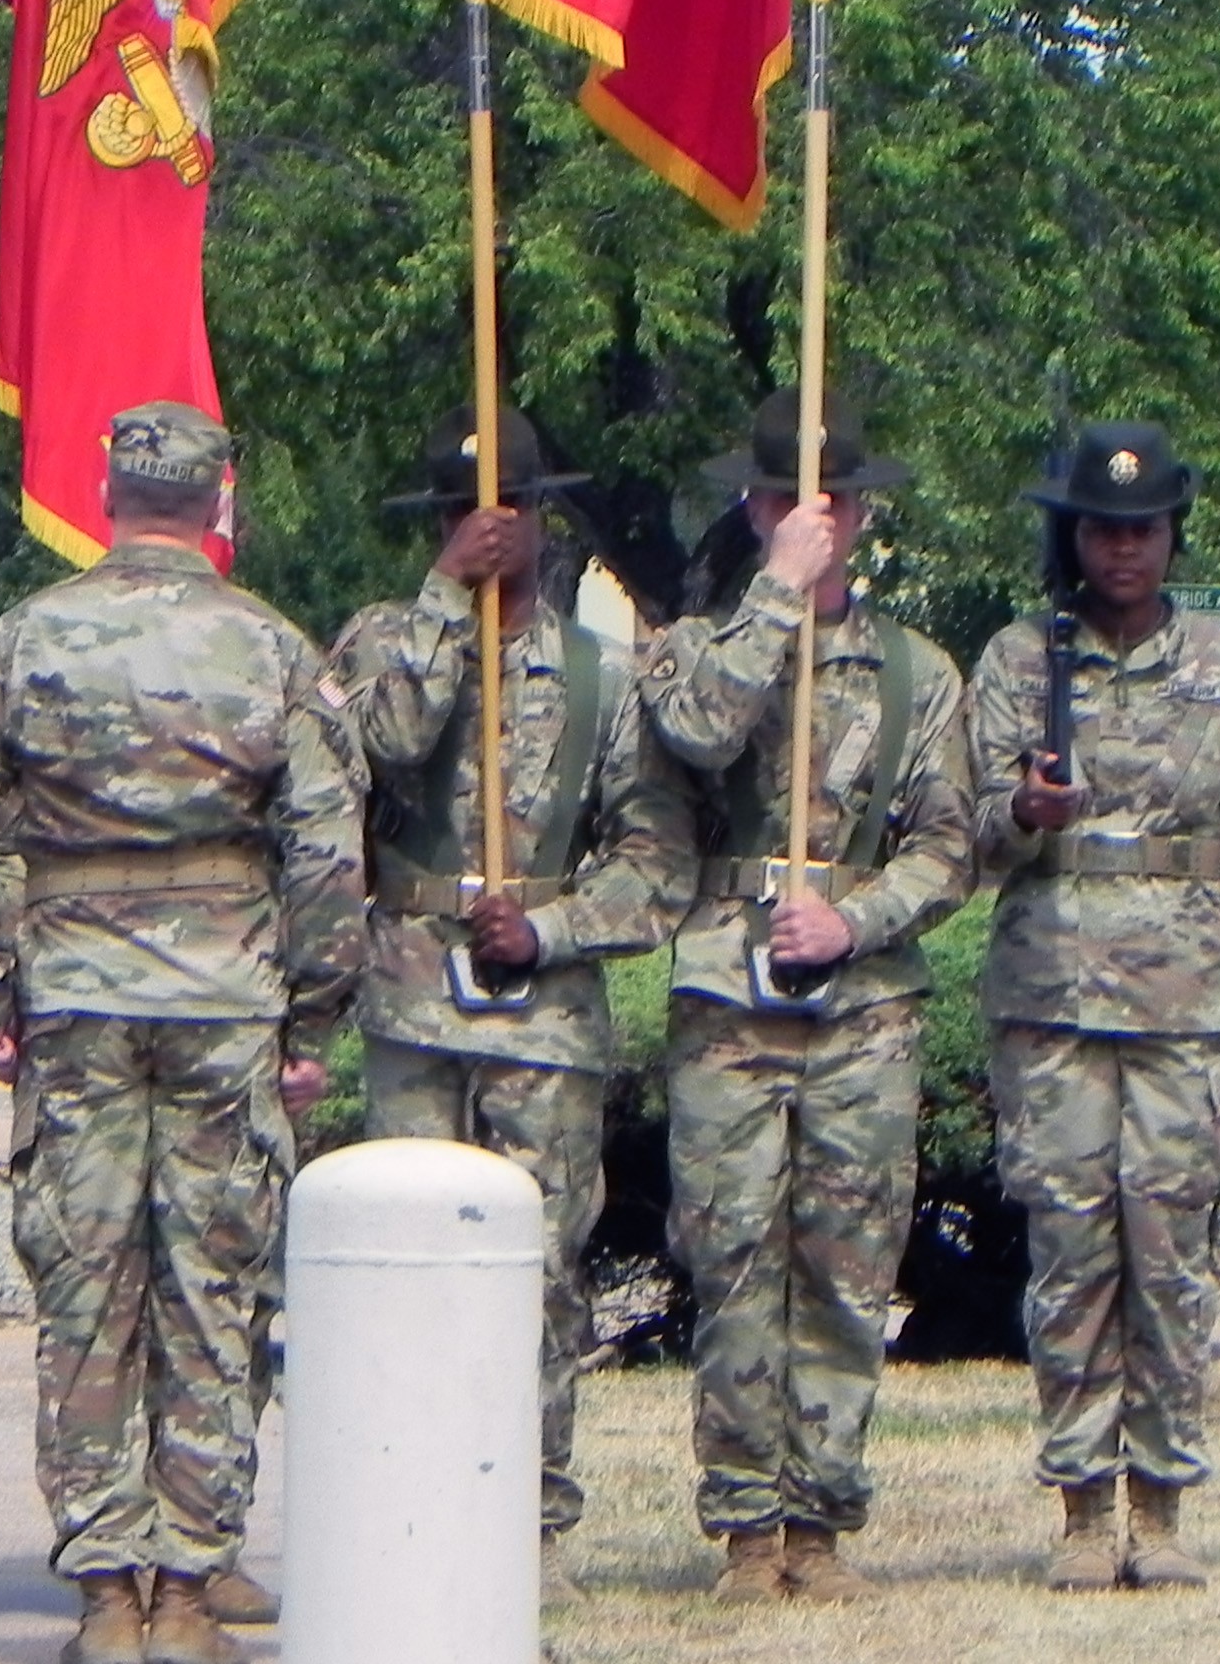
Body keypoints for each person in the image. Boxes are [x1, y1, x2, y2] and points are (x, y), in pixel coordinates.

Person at [0, 403, 366, 1664]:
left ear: (109, 499)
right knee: (210, 1291)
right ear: (216, 502)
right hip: (226, 1000)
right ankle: (186, 1594)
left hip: (73, 994)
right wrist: (312, 1007)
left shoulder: (26, 637)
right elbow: (327, 846)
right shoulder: (269, 645)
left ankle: (108, 1592)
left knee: (89, 1288)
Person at [321, 406, 694, 1602]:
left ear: (543, 518)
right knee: (406, 1264)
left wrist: (556, 927)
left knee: (539, 1269)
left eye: (512, 511)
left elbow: (655, 863)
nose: (491, 531)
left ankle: (528, 1515)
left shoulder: (602, 674)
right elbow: (370, 751)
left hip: (543, 1014)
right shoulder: (383, 640)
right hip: (411, 999)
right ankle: (405, 1503)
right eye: (463, 515)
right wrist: (444, 598)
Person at [639, 390, 972, 1603]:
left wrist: (856, 918)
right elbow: (696, 735)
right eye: (786, 500)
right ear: (753, 504)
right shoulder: (692, 645)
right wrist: (775, 591)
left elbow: (947, 846)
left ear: (864, 512)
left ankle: (820, 1518)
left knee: (842, 1265)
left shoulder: (913, 672)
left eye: (829, 504)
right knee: (731, 1258)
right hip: (726, 994)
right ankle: (741, 1523)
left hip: (861, 1003)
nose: (811, 521)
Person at [968, 421, 1220, 1590]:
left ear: (1170, 536)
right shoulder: (1018, 662)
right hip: (1052, 997)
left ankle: (1158, 1507)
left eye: (1144, 529)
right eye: (1104, 529)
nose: (1124, 551)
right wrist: (1022, 814)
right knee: (1069, 1252)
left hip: (1186, 1003)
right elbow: (962, 838)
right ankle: (1077, 1506)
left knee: (1168, 1259)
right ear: (1073, 536)